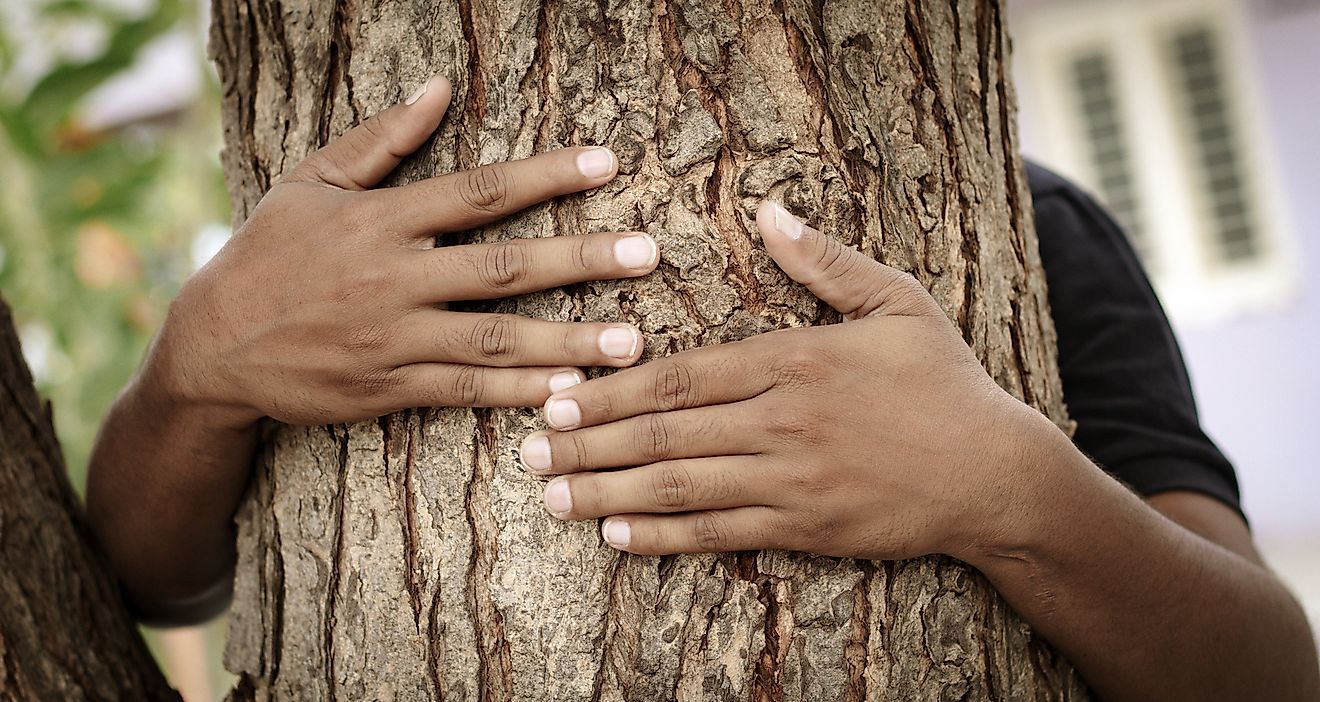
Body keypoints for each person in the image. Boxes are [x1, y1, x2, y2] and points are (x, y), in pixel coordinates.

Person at [86, 75, 1319, 700]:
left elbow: (1268, 676)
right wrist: (195, 370)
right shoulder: (330, 216)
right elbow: (155, 577)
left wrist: (1007, 487)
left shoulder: (1035, 226)